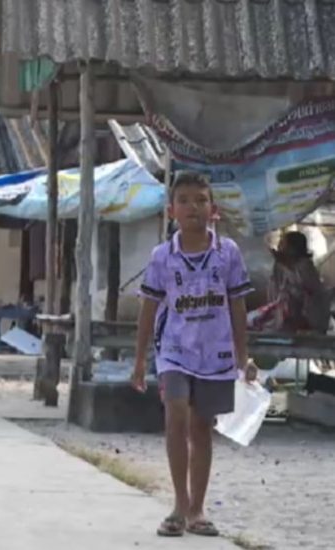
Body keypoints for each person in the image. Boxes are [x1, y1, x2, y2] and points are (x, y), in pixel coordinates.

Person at [131, 172, 256, 538]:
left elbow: (237, 306)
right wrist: (140, 360)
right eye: (184, 200)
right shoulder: (162, 257)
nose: (193, 207)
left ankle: (198, 510)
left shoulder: (228, 254)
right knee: (176, 419)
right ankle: (178, 506)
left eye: (201, 200)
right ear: (172, 211)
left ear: (213, 210)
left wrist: (242, 358)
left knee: (202, 427)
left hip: (216, 353)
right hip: (174, 351)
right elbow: (148, 310)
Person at [268, 231, 330, 333]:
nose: (279, 247)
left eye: (283, 244)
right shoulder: (284, 266)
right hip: (291, 322)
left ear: (293, 248)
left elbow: (303, 292)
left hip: (310, 324)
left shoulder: (305, 266)